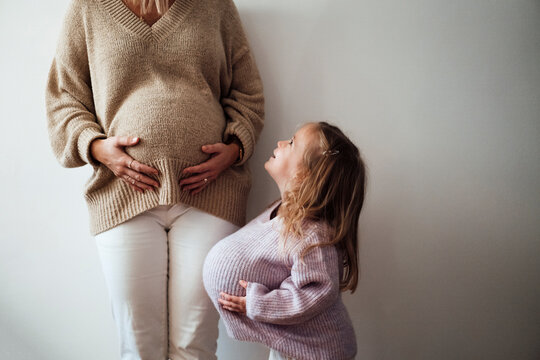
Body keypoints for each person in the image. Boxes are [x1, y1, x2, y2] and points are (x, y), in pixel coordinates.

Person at [45, 0, 264, 358]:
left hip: (210, 195)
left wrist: (236, 148)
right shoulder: (87, 9)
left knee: (194, 343)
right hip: (122, 195)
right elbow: (63, 99)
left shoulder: (216, 7)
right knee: (138, 345)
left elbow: (248, 92)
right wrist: (98, 148)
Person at [203, 122, 366, 360]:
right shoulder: (283, 211)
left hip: (315, 353)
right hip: (291, 346)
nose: (281, 143)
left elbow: (314, 293)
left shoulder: (312, 235)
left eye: (291, 142)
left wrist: (258, 304)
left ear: (304, 174)